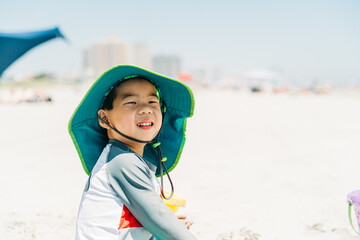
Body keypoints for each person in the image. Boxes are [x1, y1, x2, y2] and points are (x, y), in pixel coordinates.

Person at [68, 65, 196, 240]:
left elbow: (149, 219)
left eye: (152, 102)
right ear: (105, 119)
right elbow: (158, 218)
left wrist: (169, 224)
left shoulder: (122, 157)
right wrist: (170, 227)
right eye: (131, 103)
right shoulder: (123, 162)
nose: (146, 109)